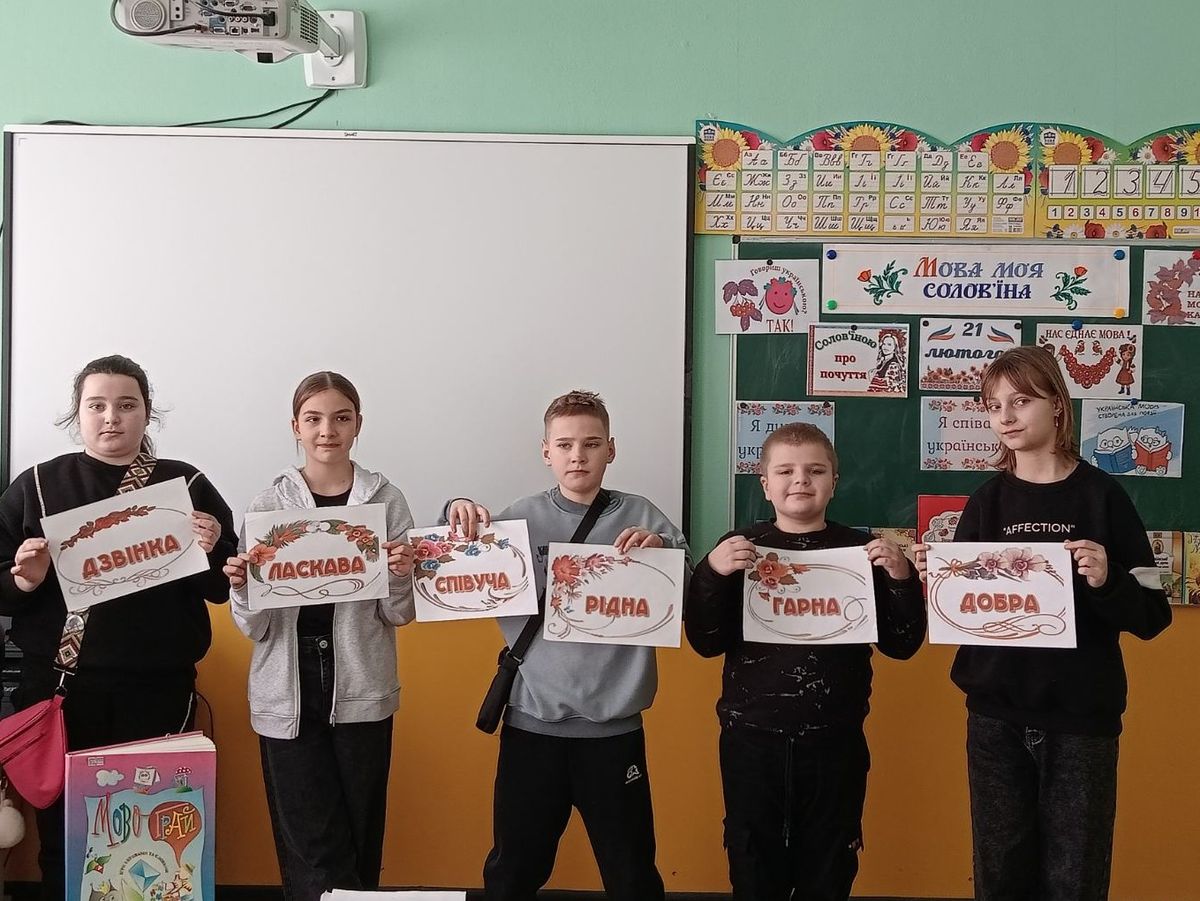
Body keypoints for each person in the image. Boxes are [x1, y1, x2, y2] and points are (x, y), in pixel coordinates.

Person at [914, 345, 1171, 901]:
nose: (1005, 417)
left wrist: (1108, 580)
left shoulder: (1104, 497)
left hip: (1080, 722)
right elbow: (959, 616)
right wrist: (939, 582)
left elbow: (1154, 615)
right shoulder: (986, 503)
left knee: (1075, 876)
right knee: (1000, 874)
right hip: (995, 718)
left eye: (1021, 401)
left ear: (1057, 403)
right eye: (993, 406)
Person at [0, 355, 236, 901]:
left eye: (127, 405)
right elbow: (2, 584)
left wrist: (212, 547)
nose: (112, 417)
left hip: (159, 692)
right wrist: (26, 580)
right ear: (77, 413)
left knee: (154, 838)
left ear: (147, 413)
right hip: (61, 692)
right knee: (66, 836)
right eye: (97, 405)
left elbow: (224, 585)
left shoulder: (184, 483)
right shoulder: (37, 485)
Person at [446, 389, 690, 901]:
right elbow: (454, 554)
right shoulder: (518, 518)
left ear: (611, 449)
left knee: (632, 874)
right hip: (532, 728)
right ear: (546, 452)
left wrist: (662, 556)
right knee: (512, 871)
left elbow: (690, 597)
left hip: (614, 731)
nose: (578, 455)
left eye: (591, 443)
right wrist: (455, 506)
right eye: (565, 445)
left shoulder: (643, 516)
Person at [686, 422, 925, 900]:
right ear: (764, 484)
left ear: (834, 480)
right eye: (785, 471)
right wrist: (711, 572)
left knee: (830, 868)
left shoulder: (862, 552)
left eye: (815, 470)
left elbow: (902, 645)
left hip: (835, 743)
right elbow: (705, 642)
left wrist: (901, 579)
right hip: (751, 741)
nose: (800, 480)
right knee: (753, 867)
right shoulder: (739, 548)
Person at [225, 371, 416, 901]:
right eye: (313, 419)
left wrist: (401, 575)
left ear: (358, 425)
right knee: (310, 841)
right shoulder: (268, 505)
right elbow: (254, 627)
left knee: (359, 832)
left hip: (361, 681)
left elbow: (399, 613)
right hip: (287, 685)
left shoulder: (387, 501)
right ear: (296, 427)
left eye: (340, 418)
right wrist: (242, 588)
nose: (327, 430)